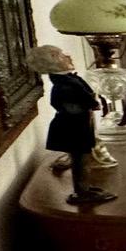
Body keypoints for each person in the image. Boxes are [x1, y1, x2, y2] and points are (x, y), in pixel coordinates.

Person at [27, 45, 112, 206]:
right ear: (54, 59)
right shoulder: (63, 85)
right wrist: (88, 105)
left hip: (80, 126)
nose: (69, 57)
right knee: (79, 160)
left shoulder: (68, 80)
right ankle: (81, 191)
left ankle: (84, 187)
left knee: (83, 159)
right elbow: (66, 106)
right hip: (74, 128)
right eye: (63, 55)